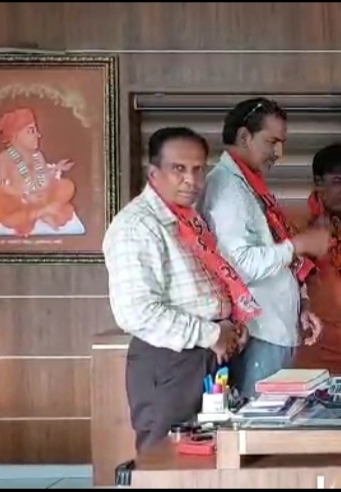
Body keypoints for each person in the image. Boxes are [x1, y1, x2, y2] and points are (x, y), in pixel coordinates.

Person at [104, 127, 249, 452]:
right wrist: (212, 334)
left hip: (211, 353)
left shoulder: (189, 220)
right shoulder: (137, 226)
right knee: (168, 460)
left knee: (210, 457)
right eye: (178, 169)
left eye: (198, 169)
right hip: (171, 361)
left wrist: (229, 327)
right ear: (154, 173)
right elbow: (137, 312)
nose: (190, 180)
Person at [199, 97, 330, 396]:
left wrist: (301, 304)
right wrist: (297, 245)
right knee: (259, 419)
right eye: (272, 142)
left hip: (275, 330)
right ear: (244, 136)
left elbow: (272, 253)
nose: (278, 154)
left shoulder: (249, 185)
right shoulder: (226, 188)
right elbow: (238, 265)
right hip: (258, 333)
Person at [292, 143, 341, 374]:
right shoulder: (297, 225)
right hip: (311, 346)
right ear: (318, 182)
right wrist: (308, 244)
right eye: (339, 181)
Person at [0, 107, 82, 237]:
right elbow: (1, 186)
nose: (38, 135)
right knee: (8, 212)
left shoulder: (38, 155)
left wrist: (56, 169)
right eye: (31, 131)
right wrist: (23, 195)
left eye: (36, 131)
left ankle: (45, 210)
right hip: (20, 201)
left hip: (42, 196)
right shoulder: (5, 158)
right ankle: (42, 213)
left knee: (67, 186)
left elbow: (43, 177)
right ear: (16, 135)